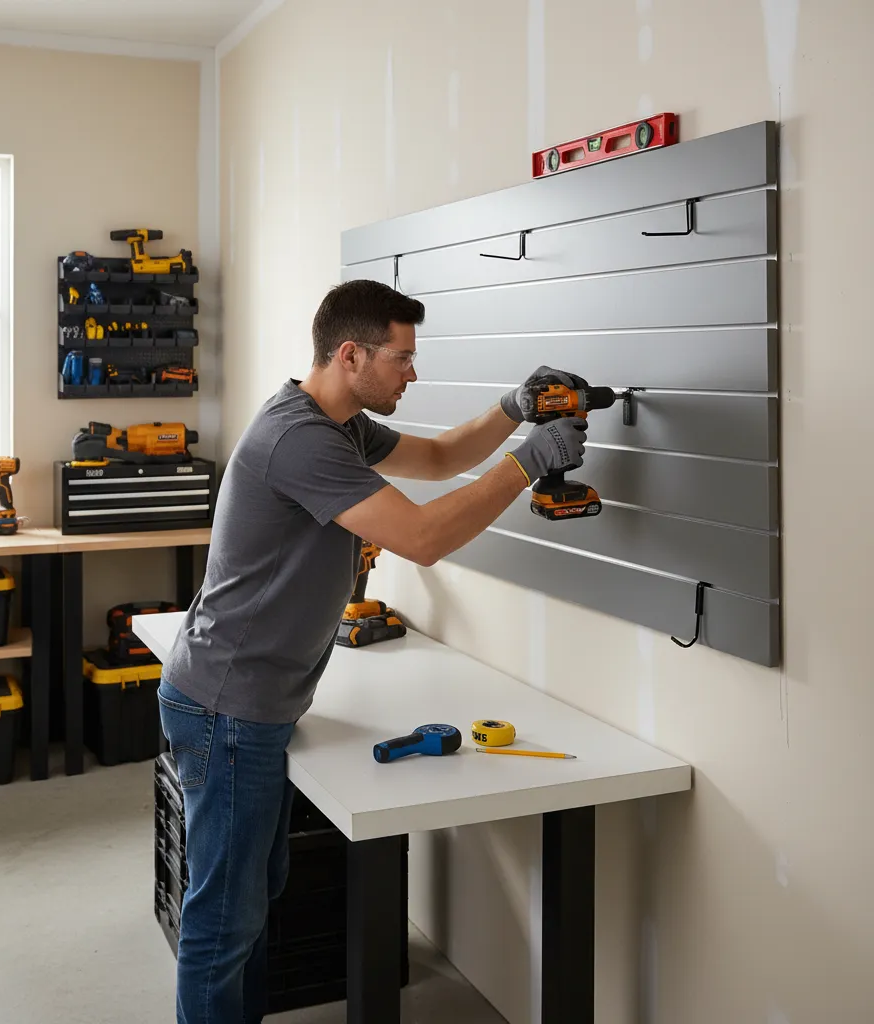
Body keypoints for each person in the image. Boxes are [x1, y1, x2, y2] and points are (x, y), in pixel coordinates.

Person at [158, 278, 589, 1024]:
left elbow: (442, 458)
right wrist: (527, 463)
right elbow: (422, 538)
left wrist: (514, 411)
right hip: (228, 707)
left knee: (250, 904)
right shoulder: (298, 438)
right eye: (402, 358)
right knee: (223, 923)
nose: (412, 373)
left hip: (253, 700)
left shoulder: (340, 424)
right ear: (351, 354)